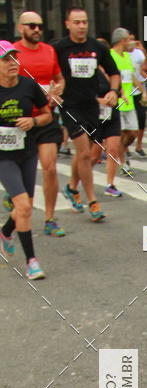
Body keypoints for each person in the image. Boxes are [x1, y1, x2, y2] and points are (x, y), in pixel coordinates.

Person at [53, 6, 119, 222]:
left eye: (84, 22)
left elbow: (114, 73)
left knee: (89, 154)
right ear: (68, 24)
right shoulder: (59, 48)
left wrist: (113, 90)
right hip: (70, 106)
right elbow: (50, 73)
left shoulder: (97, 47)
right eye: (77, 22)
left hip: (92, 106)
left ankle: (72, 187)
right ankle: (92, 201)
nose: (81, 26)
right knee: (82, 153)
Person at [0, 41, 52, 279]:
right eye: (6, 60)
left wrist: (33, 122)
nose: (13, 63)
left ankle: (6, 231)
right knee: (24, 206)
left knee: (25, 207)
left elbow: (47, 115)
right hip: (3, 158)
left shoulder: (29, 85)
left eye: (14, 58)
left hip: (27, 153)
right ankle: (32, 261)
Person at [13, 10, 66, 238]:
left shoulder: (49, 51)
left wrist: (58, 90)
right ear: (20, 28)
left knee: (50, 167)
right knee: (21, 173)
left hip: (45, 117)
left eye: (39, 26)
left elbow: (59, 78)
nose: (36, 30)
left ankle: (50, 218)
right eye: (31, 25)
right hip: (19, 121)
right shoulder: (12, 53)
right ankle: (14, 197)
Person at [110, 28, 141, 175]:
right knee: (120, 134)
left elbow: (132, 76)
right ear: (122, 41)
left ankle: (121, 151)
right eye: (129, 39)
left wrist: (144, 91)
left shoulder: (127, 57)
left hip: (130, 101)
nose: (131, 43)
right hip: (117, 103)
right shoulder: (110, 56)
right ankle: (123, 163)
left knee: (133, 133)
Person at [127, 33, 147, 158]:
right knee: (126, 123)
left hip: (139, 91)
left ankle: (139, 146)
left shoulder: (138, 53)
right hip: (125, 93)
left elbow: (145, 67)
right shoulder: (122, 55)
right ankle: (124, 148)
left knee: (141, 118)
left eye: (132, 39)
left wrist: (143, 50)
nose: (131, 42)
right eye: (128, 40)